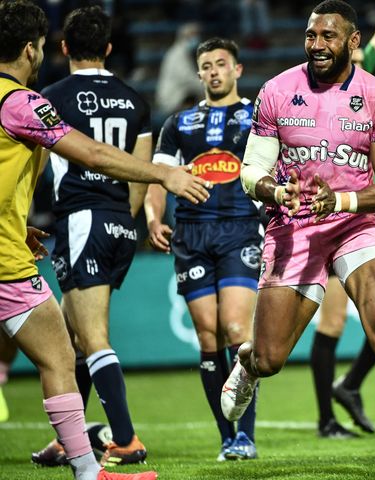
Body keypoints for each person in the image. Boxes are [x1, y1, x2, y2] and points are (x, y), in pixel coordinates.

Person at [0, 1, 207, 479]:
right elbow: (92, 153)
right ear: (32, 49)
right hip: (18, 258)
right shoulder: (23, 102)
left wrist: (14, 224)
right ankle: (91, 469)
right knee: (60, 355)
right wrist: (165, 175)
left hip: (36, 236)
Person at [221, 2, 375, 478]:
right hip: (293, 226)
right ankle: (248, 363)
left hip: (354, 223)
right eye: (311, 36)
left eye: (328, 37)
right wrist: (274, 189)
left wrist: (345, 202)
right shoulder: (276, 91)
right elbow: (251, 170)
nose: (316, 45)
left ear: (353, 42)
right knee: (271, 359)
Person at [29, 6, 152, 468]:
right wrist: (123, 220)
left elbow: (38, 161)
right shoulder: (135, 100)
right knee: (71, 335)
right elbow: (139, 171)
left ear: (63, 48)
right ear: (108, 48)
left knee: (93, 336)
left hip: (82, 217)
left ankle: (124, 438)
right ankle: (70, 438)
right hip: (118, 219)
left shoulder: (52, 95)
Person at [145, 37, 262, 462]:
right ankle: (226, 437)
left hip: (240, 231)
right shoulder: (179, 123)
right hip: (191, 234)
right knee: (208, 337)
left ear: (237, 70)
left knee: (236, 331)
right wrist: (154, 218)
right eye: (207, 65)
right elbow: (160, 175)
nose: (214, 71)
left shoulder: (255, 118)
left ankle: (246, 434)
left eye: (221, 64)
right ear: (198, 73)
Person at [309, 0, 375, 440]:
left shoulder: (363, 72)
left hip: (365, 205)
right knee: (331, 321)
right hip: (326, 208)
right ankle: (326, 419)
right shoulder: (307, 82)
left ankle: (350, 385)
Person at [155, 22, 204, 117]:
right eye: (193, 34)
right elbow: (188, 78)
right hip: (172, 99)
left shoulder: (183, 53)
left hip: (180, 95)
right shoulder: (177, 54)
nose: (196, 37)